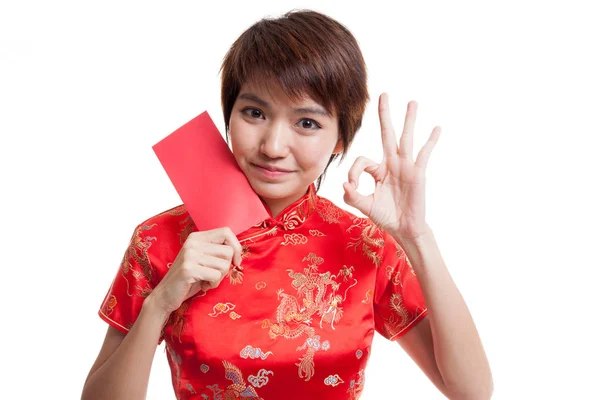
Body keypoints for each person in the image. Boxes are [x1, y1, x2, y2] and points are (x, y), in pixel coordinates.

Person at [81, 9, 493, 400]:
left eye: (307, 122)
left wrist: (416, 238)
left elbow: (471, 391)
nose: (273, 147)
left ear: (340, 141)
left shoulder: (365, 245)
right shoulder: (161, 240)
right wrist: (160, 304)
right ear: (229, 116)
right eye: (255, 112)